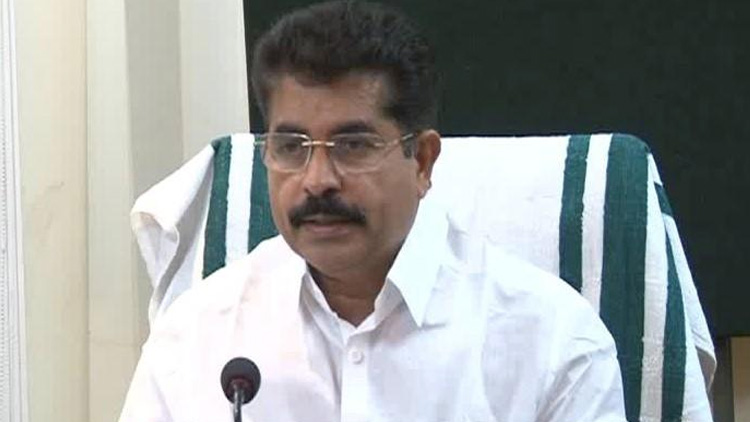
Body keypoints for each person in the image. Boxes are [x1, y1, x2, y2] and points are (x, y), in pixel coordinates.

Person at [119, 1, 627, 421]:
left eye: (353, 145)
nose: (317, 180)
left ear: (422, 161)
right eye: (292, 147)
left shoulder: (552, 343)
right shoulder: (197, 335)